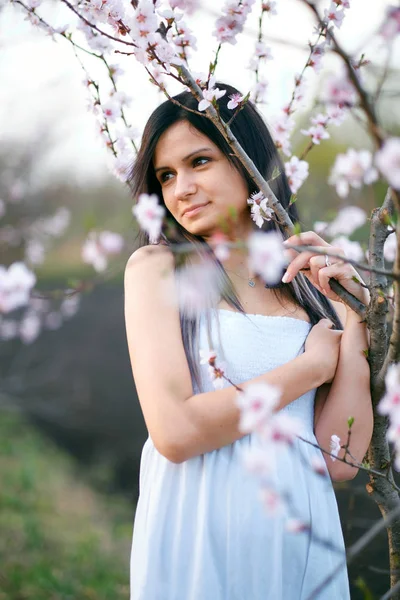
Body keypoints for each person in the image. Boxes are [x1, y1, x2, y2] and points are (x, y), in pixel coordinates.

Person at [124, 82, 373, 599]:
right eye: (166, 175)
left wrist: (355, 325)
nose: (181, 188)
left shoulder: (304, 283)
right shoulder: (158, 269)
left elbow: (338, 459)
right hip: (200, 526)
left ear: (247, 159)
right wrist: (306, 369)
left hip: (298, 535)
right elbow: (175, 432)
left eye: (199, 161)